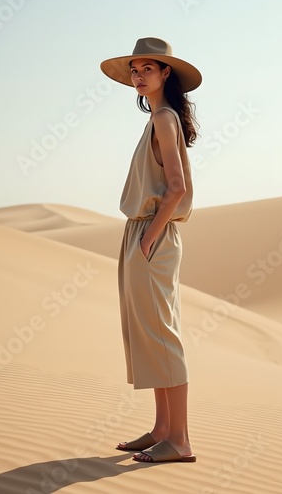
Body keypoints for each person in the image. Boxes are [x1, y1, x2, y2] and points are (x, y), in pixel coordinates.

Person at [100, 37, 202, 463]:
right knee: (150, 335)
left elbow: (176, 188)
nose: (139, 76)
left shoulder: (163, 117)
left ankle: (179, 441)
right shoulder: (160, 118)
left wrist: (147, 238)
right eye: (135, 70)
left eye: (148, 69)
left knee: (162, 336)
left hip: (152, 234)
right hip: (145, 232)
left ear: (166, 74)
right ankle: (163, 429)